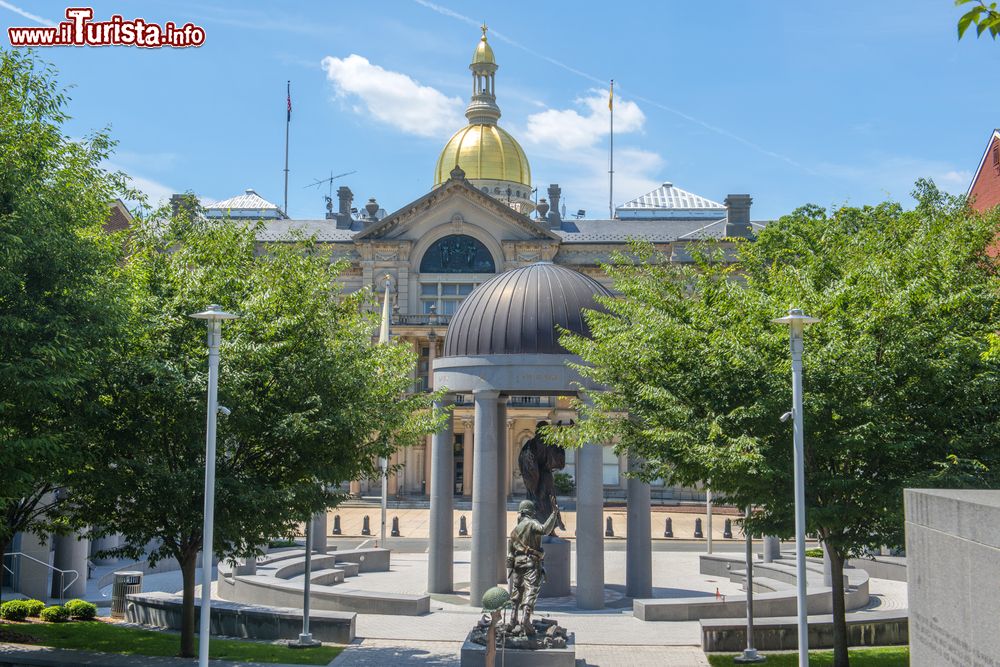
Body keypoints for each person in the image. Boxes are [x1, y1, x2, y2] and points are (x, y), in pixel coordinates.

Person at [506, 497, 560, 635]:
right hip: (531, 562)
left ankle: (512, 619)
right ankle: (525, 619)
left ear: (521, 512)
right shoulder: (532, 523)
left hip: (517, 564)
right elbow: (544, 529)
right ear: (530, 512)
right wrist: (554, 513)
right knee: (531, 589)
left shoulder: (514, 531)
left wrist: (510, 569)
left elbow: (510, 555)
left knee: (517, 591)